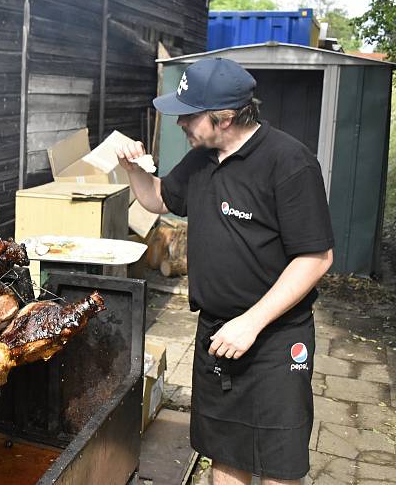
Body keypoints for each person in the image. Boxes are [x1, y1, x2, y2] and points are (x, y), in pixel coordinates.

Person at [116, 57, 334, 485]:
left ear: (226, 117)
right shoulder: (201, 160)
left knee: (277, 464)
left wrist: (251, 323)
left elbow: (315, 257)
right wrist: (132, 172)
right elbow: (159, 199)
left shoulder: (289, 162)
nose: (180, 123)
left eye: (189, 115)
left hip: (274, 338)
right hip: (216, 335)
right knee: (223, 454)